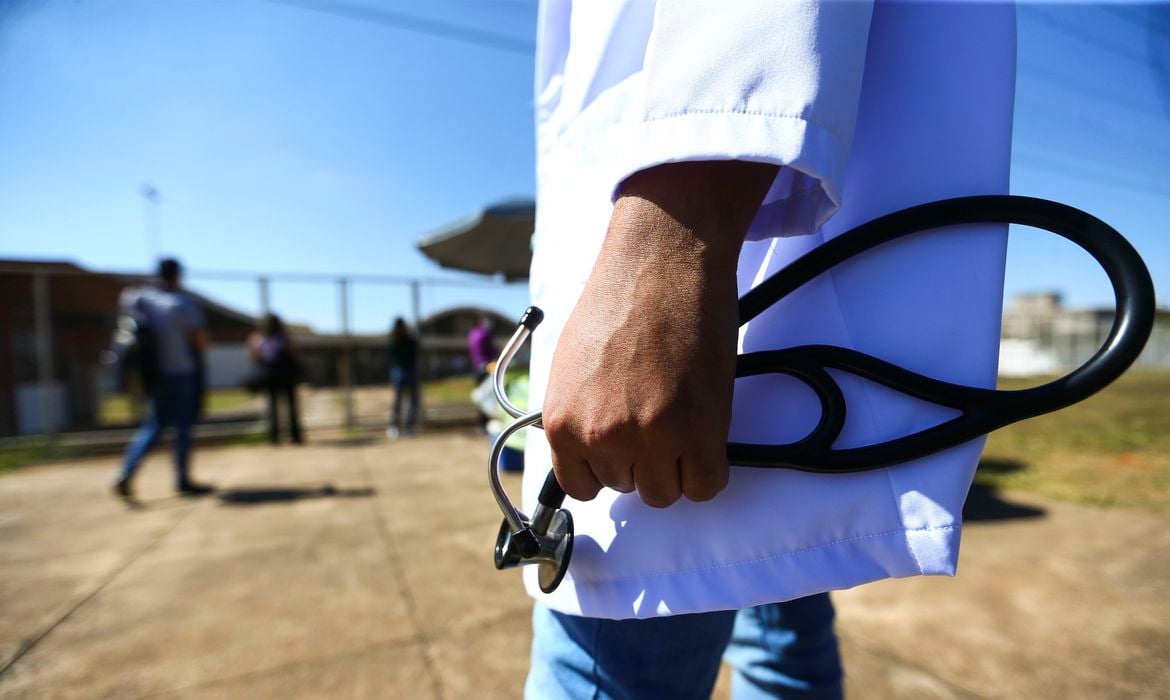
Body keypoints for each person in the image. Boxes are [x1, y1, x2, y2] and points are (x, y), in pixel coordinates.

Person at [522, 2, 1016, 699]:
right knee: (778, 602)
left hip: (692, 231)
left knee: (616, 649)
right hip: (736, 258)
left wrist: (667, 245)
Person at [114, 258, 214, 499]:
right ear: (178, 276)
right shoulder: (182, 304)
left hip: (154, 374)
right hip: (182, 372)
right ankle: (182, 480)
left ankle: (127, 472)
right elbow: (199, 341)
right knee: (182, 428)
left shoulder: (139, 298)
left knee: (154, 425)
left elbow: (126, 324)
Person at [247, 313, 303, 445]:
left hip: (269, 376)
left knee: (272, 407)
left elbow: (254, 357)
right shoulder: (284, 337)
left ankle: (274, 437)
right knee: (291, 405)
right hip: (286, 376)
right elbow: (295, 354)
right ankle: (295, 436)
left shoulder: (257, 338)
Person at [387, 316, 420, 439]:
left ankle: (409, 427)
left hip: (410, 371)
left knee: (412, 401)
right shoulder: (394, 340)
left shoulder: (411, 340)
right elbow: (392, 353)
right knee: (397, 401)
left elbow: (415, 351)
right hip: (399, 371)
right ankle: (394, 426)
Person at [468, 314, 497, 433]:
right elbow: (492, 349)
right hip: (486, 367)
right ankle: (485, 422)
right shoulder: (485, 334)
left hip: (476, 367)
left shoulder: (472, 334)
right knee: (487, 395)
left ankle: (480, 424)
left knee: (481, 395)